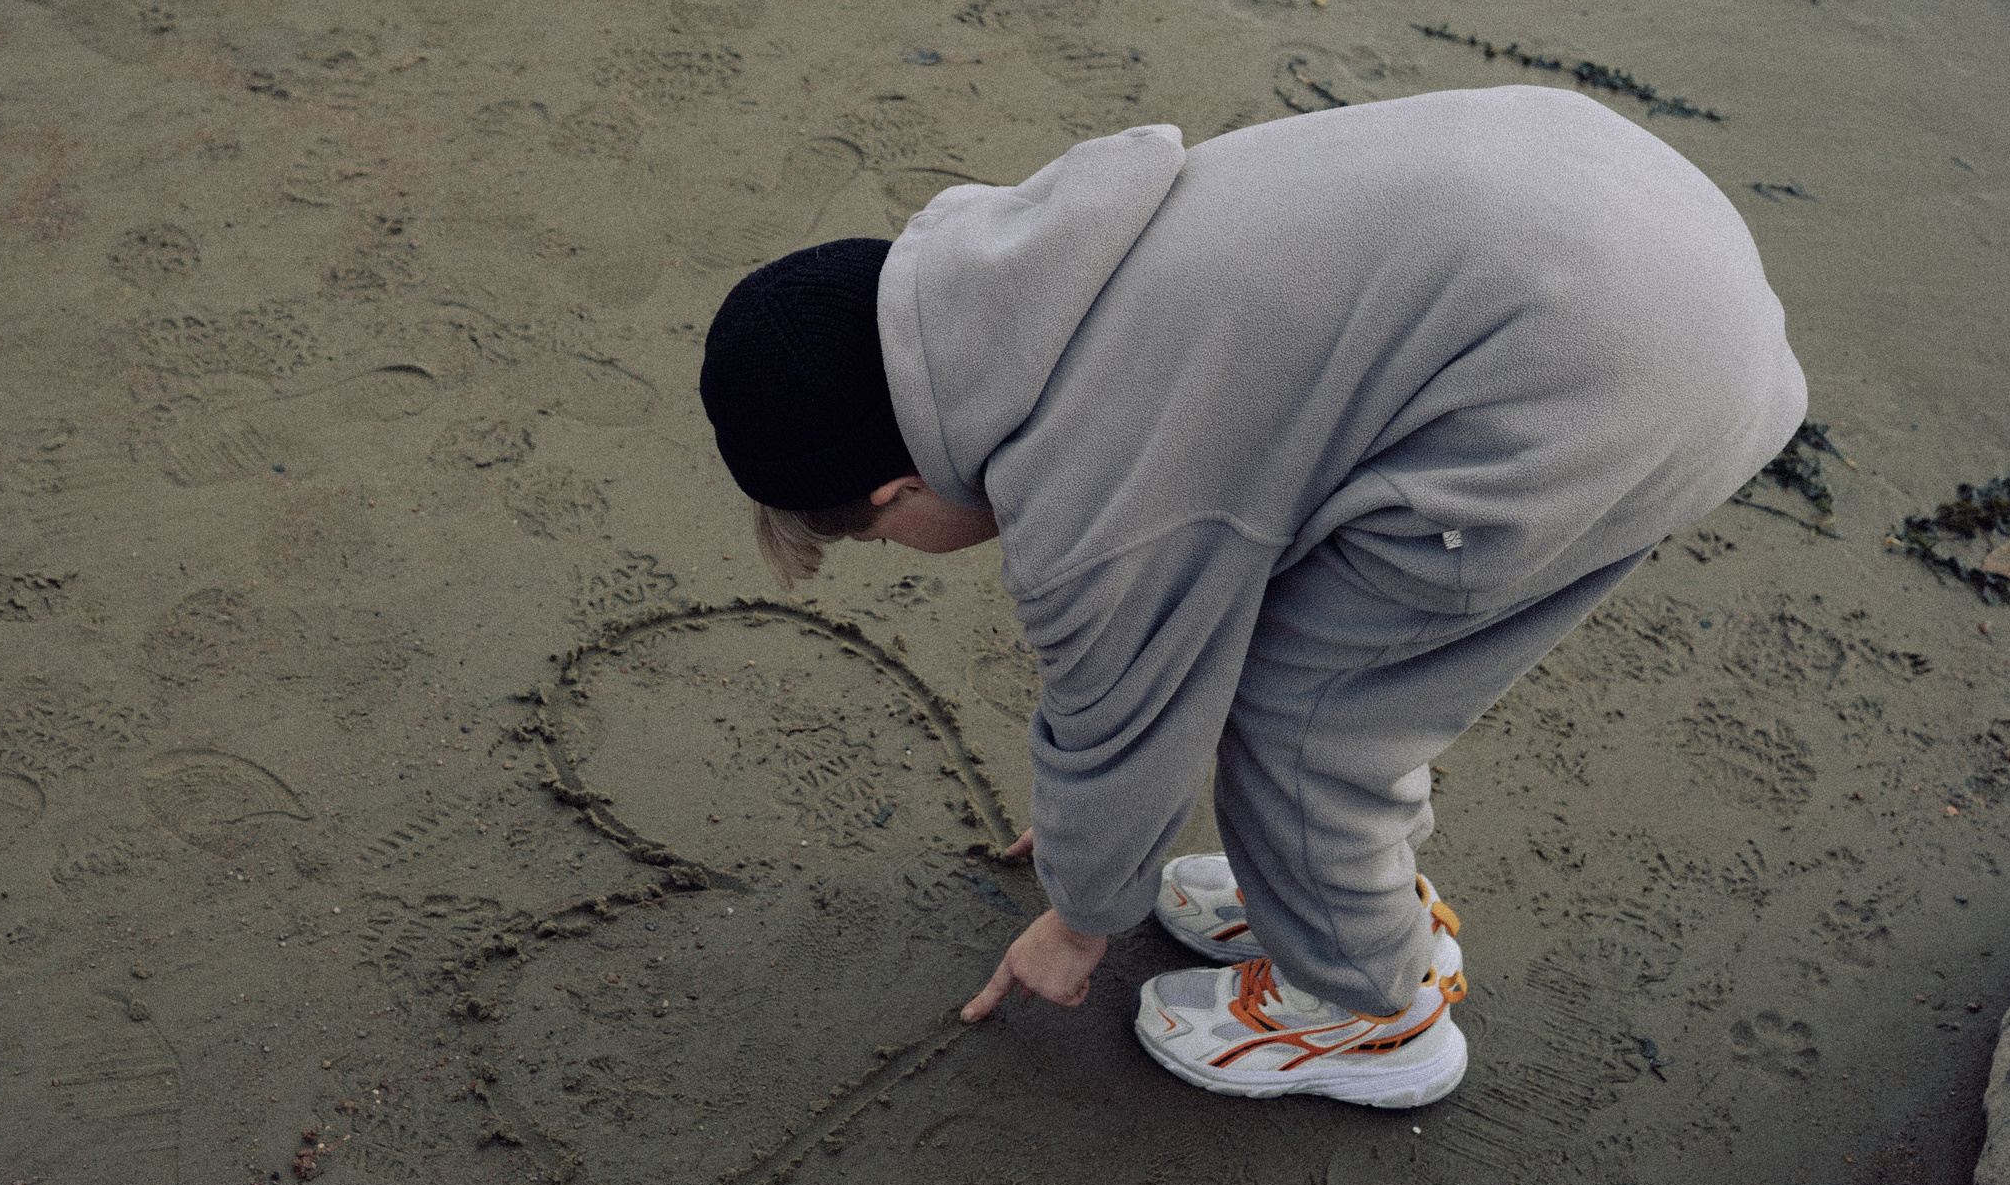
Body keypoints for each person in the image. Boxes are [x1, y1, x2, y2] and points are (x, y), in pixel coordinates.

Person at [695, 86, 1805, 1108]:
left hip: (1608, 382)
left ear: (893, 486)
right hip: (1623, 224)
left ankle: (1374, 1008)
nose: (900, 543)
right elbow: (1187, 631)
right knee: (1282, 632)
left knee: (1312, 716)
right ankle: (1320, 896)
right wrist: (1113, 825)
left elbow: (1115, 722)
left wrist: (1081, 918)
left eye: (880, 533)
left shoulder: (1086, 484)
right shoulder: (1043, 269)